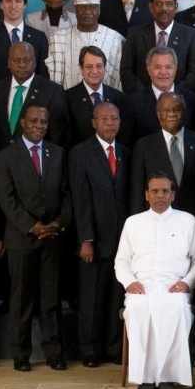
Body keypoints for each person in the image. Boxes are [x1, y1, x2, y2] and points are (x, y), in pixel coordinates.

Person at [115, 173, 195, 389]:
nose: (160, 195)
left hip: (174, 286)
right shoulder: (133, 222)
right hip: (141, 286)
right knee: (138, 308)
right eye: (155, 191)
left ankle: (167, 376)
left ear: (173, 195)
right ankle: (145, 377)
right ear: (146, 195)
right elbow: (121, 261)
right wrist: (129, 282)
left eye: (165, 191)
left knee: (175, 308)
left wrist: (187, 282)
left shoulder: (188, 221)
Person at [0, 102, 70, 372]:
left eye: (43, 122)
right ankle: (21, 353)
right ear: (23, 123)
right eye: (34, 121)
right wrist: (32, 226)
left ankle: (54, 353)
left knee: (51, 299)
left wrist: (57, 224)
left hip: (52, 238)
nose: (39, 126)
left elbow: (66, 194)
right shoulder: (5, 156)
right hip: (21, 240)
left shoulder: (58, 153)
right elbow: (6, 199)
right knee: (22, 300)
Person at [69, 102, 129, 367]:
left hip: (123, 243)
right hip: (94, 241)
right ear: (93, 122)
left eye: (114, 118)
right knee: (91, 298)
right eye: (103, 118)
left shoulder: (127, 153)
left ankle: (115, 349)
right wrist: (86, 239)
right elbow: (80, 199)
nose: (109, 123)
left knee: (117, 297)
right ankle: (90, 350)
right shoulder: (81, 153)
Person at [130, 92, 195, 217]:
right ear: (158, 114)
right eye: (166, 110)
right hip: (157, 221)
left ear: (184, 113)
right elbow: (137, 192)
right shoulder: (143, 146)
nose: (171, 114)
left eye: (177, 110)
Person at [0, 42, 68, 149]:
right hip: (2, 160)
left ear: (35, 63)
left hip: (37, 161)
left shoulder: (53, 91)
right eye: (16, 60)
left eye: (27, 60)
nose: (22, 64)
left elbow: (58, 136)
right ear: (9, 63)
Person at [120, 0, 195, 93]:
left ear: (175, 7)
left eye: (169, 4)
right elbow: (126, 71)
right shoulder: (135, 34)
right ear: (151, 7)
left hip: (179, 100)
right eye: (159, 4)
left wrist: (172, 95)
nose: (164, 8)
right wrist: (147, 95)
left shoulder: (191, 35)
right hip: (142, 101)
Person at [118, 46, 195, 147]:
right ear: (148, 69)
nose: (163, 72)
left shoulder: (193, 100)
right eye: (157, 67)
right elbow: (125, 146)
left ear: (176, 69)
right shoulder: (132, 103)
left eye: (168, 67)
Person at [47, 0, 125, 89]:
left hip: (106, 103)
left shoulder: (116, 39)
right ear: (75, 9)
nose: (87, 12)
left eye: (92, 7)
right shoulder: (58, 39)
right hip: (68, 103)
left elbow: (118, 82)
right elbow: (55, 82)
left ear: (99, 9)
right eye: (82, 7)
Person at [64, 45, 126, 147]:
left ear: (105, 68)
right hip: (81, 159)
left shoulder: (119, 97)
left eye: (99, 66)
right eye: (89, 67)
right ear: (81, 68)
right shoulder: (68, 98)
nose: (94, 71)